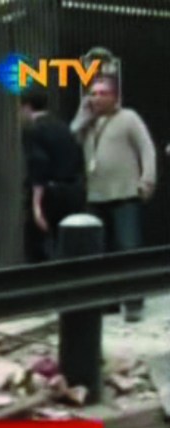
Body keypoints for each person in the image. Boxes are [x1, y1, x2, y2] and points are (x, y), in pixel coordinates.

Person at [71, 76, 156, 322]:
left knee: (128, 249)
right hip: (96, 196)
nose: (96, 98)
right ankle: (107, 301)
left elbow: (146, 148)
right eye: (93, 94)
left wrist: (147, 180)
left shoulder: (128, 118)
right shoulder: (89, 123)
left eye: (102, 93)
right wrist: (82, 115)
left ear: (114, 97)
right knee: (100, 252)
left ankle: (133, 302)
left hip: (125, 194)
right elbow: (71, 137)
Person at [20, 86, 87, 262]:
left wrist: (36, 206)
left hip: (49, 194)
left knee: (36, 246)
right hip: (72, 191)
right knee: (65, 243)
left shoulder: (32, 130)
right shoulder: (64, 128)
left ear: (26, 107)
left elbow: (38, 165)